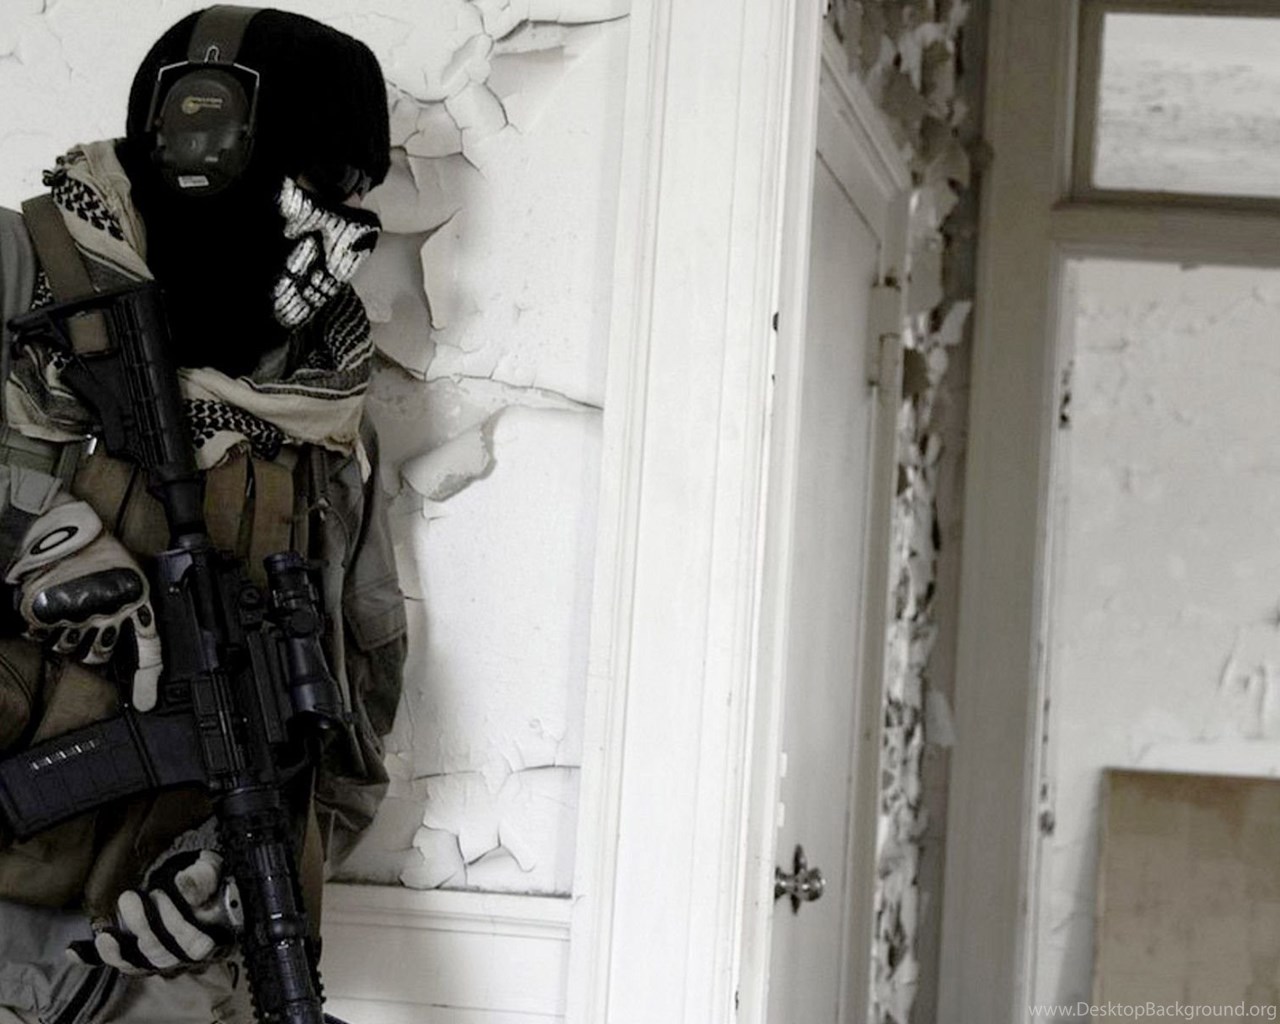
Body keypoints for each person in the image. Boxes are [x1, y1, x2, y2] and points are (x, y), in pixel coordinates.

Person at [0, 7, 406, 1022]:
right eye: (321, 182)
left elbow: (346, 733)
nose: (342, 224)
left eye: (356, 191)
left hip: (154, 982)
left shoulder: (330, 413)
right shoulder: (16, 278)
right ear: (203, 155)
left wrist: (221, 872)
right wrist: (26, 538)